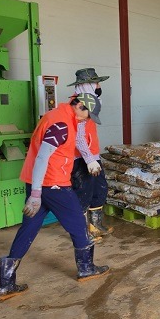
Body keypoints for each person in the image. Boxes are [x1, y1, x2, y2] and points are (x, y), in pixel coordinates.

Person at [0, 93, 110, 301]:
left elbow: (77, 142)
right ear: (79, 106)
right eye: (88, 114)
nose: (87, 119)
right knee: (77, 223)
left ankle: (6, 283)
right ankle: (86, 268)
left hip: (38, 183)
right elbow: (42, 157)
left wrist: (35, 192)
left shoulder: (62, 116)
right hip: (52, 184)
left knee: (28, 228)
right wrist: (37, 194)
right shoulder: (61, 123)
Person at [68, 68, 111, 241]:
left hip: (92, 155)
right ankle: (82, 232)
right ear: (86, 85)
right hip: (81, 158)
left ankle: (95, 224)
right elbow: (78, 138)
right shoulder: (78, 105)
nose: (99, 86)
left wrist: (94, 157)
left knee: (99, 189)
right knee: (83, 193)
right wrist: (89, 160)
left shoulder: (90, 102)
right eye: (95, 83)